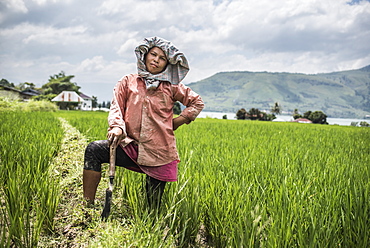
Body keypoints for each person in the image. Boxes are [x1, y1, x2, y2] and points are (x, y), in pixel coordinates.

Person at [83, 37, 204, 211]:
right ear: (145, 56)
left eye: (162, 58)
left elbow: (197, 102)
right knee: (94, 150)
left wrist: (178, 122)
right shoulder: (128, 81)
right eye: (153, 54)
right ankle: (87, 208)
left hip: (159, 152)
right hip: (130, 146)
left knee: (152, 208)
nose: (156, 60)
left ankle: (149, 227)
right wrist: (117, 127)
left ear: (167, 64)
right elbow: (117, 106)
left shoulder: (171, 86)